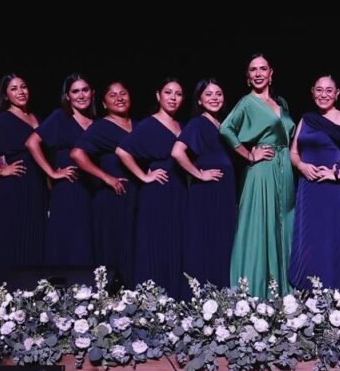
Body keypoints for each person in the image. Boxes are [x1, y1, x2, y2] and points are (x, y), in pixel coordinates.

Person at [219, 54, 296, 297]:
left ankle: (284, 288)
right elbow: (225, 128)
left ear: (271, 73)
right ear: (248, 76)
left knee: (284, 223)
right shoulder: (247, 102)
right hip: (262, 170)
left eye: (263, 69)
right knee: (261, 224)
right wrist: (249, 155)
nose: (259, 73)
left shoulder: (281, 103)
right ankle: (256, 289)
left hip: (285, 169)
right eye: (253, 70)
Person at [288, 75, 340, 290]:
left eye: (329, 90)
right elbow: (294, 152)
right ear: (312, 92)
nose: (323, 95)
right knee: (309, 238)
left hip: (330, 191)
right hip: (307, 188)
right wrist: (301, 166)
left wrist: (339, 173)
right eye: (319, 90)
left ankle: (335, 290)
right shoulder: (307, 119)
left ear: (337, 94)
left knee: (329, 238)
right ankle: (309, 290)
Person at [0, 74, 46, 285]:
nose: (20, 92)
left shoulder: (36, 117)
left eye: (23, 87)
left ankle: (35, 290)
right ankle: (9, 291)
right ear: (6, 95)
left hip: (37, 185)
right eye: (14, 89)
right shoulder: (3, 119)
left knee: (36, 238)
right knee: (14, 240)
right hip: (15, 186)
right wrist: (0, 169)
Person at [116, 78, 187, 298]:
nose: (173, 98)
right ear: (158, 95)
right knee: (156, 243)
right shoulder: (149, 124)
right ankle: (153, 300)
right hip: (158, 191)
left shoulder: (181, 125)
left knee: (176, 242)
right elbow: (122, 151)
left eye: (178, 94)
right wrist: (143, 176)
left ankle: (174, 298)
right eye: (168, 92)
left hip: (179, 190)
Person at [70, 80, 137, 289]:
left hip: (135, 195)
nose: (119, 98)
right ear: (104, 103)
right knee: (113, 246)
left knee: (133, 246)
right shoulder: (101, 127)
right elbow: (77, 154)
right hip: (111, 196)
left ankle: (134, 296)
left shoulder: (138, 125)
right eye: (113, 95)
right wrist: (106, 178)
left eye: (123, 93)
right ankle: (110, 298)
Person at [26, 74, 95, 269]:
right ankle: (63, 285)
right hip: (68, 188)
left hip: (92, 190)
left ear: (92, 93)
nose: (81, 95)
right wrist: (52, 172)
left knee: (88, 238)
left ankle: (90, 285)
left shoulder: (96, 122)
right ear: (67, 96)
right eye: (75, 91)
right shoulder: (60, 117)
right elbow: (32, 142)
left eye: (85, 90)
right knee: (67, 237)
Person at [172, 78, 236, 289]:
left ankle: (221, 293)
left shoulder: (223, 124)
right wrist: (199, 174)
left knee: (222, 239)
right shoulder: (198, 123)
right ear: (199, 100)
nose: (214, 98)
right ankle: (201, 294)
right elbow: (177, 152)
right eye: (208, 94)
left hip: (224, 190)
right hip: (207, 191)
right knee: (205, 239)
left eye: (218, 94)